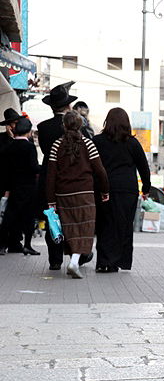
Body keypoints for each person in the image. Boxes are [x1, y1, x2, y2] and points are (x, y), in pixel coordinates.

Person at [38, 81, 96, 270]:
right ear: (69, 106)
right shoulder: (79, 127)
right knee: (74, 219)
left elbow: (48, 152)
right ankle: (76, 255)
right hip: (74, 179)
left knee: (53, 220)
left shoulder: (43, 127)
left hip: (50, 176)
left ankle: (55, 260)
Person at [45, 111, 109, 279]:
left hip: (63, 194)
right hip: (85, 193)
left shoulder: (56, 145)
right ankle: (74, 262)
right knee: (85, 228)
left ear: (64, 126)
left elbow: (50, 175)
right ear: (81, 126)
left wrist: (51, 200)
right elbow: (100, 171)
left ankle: (74, 261)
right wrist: (105, 191)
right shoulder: (88, 144)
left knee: (70, 228)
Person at [92, 108, 151, 273]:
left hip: (104, 189)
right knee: (123, 225)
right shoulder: (132, 143)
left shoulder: (97, 141)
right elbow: (143, 168)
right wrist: (145, 189)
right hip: (127, 190)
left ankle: (104, 261)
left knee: (105, 225)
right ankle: (118, 260)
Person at [0, 118, 39, 256]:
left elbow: (5, 169)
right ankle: (27, 245)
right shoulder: (29, 147)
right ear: (28, 132)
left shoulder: (9, 147)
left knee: (9, 216)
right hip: (28, 187)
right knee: (28, 217)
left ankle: (2, 245)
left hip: (13, 187)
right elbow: (34, 167)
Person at [0, 108, 24, 253]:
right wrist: (10, 139)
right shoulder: (2, 139)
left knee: (17, 213)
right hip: (3, 181)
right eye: (13, 124)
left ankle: (15, 242)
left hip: (18, 181)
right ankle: (2, 242)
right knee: (3, 213)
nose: (15, 126)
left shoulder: (23, 137)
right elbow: (3, 154)